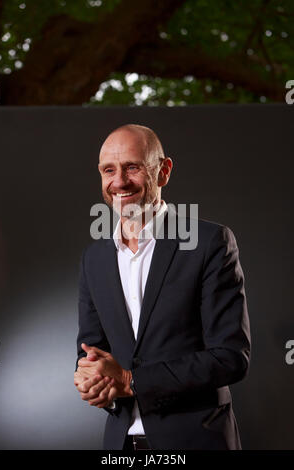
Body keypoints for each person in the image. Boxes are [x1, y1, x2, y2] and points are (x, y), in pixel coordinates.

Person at [74, 124, 251, 450]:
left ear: (163, 171)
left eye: (132, 167)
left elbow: (230, 357)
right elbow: (90, 353)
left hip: (197, 441)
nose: (119, 182)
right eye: (108, 170)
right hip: (120, 447)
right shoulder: (94, 258)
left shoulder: (209, 244)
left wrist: (130, 381)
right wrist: (91, 380)